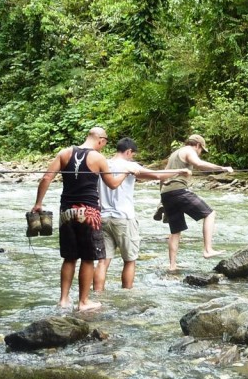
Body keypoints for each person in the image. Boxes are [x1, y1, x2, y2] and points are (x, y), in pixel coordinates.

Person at [32, 127, 126, 312]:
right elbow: (113, 184)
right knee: (88, 258)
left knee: (69, 257)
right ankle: (83, 302)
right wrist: (126, 173)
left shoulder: (64, 153)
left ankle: (64, 300)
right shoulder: (98, 158)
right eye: (105, 142)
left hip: (66, 211)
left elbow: (45, 178)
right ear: (100, 139)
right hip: (89, 212)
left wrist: (38, 204)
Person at [94, 137, 190, 290]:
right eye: (132, 154)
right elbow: (158, 175)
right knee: (130, 260)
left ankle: (97, 294)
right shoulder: (130, 165)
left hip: (103, 217)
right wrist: (180, 170)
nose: (132, 157)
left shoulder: (103, 164)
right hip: (124, 218)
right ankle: (127, 294)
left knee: (102, 261)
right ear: (128, 151)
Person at [159, 134, 234, 272]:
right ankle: (207, 249)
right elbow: (199, 164)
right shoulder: (189, 151)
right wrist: (221, 168)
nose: (200, 153)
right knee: (210, 214)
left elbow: (162, 177)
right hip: (179, 191)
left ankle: (172, 266)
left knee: (175, 231)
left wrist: (162, 200)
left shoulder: (174, 154)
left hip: (167, 193)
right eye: (201, 151)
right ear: (198, 145)